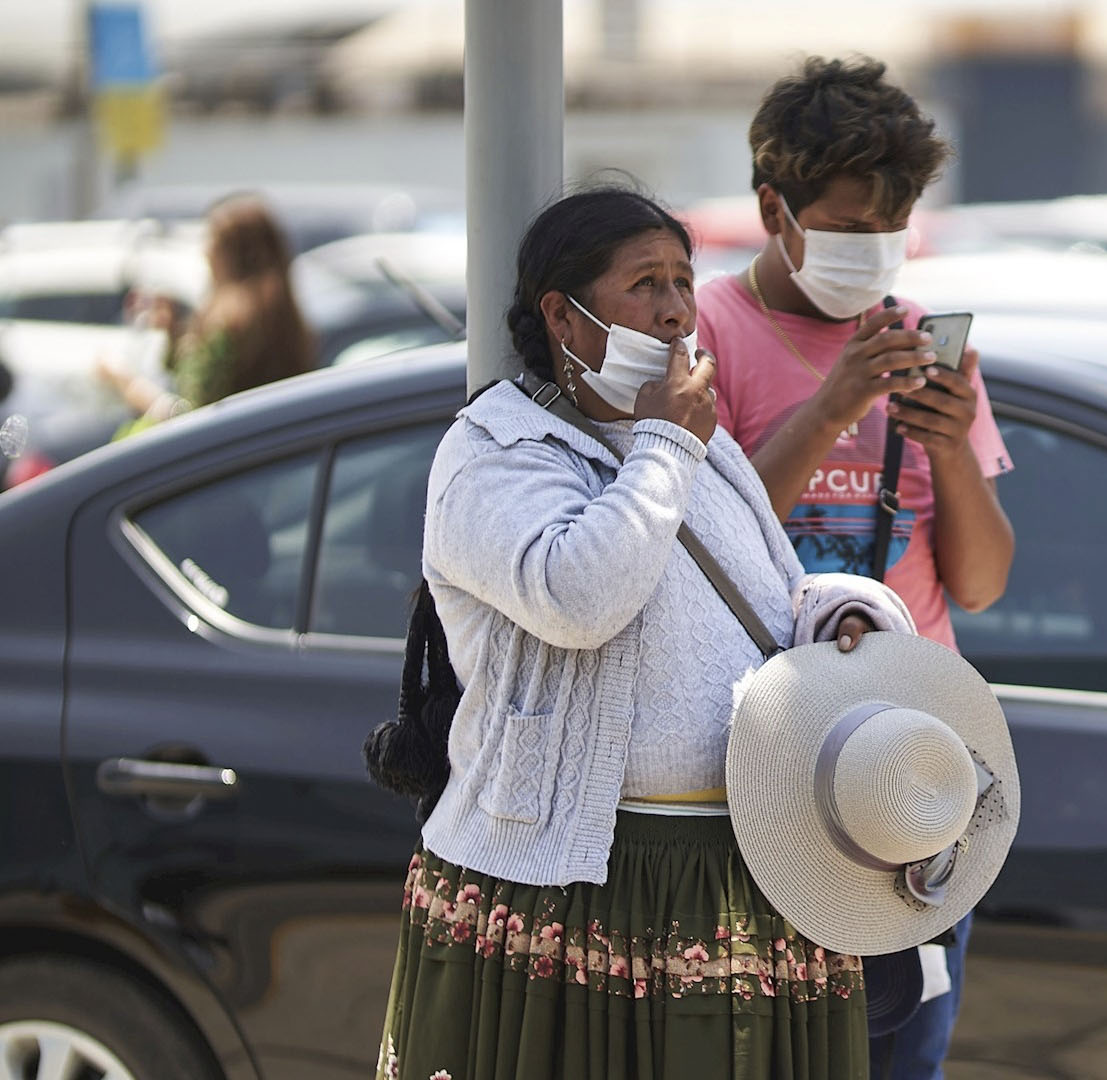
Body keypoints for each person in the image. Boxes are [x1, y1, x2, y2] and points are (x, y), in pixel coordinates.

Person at [372, 185, 914, 1080]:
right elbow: (578, 597)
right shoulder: (497, 453)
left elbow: (777, 588)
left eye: (682, 282)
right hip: (582, 888)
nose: (672, 310)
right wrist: (663, 446)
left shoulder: (701, 444)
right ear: (564, 316)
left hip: (748, 871)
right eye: (644, 284)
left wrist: (841, 614)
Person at [696, 55, 1015, 1080]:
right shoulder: (707, 332)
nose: (870, 253)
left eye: (890, 230)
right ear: (772, 209)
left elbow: (979, 583)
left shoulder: (924, 343)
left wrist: (954, 447)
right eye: (843, 228)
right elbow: (696, 547)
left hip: (904, 771)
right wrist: (832, 406)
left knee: (897, 1057)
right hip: (757, 773)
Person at [97, 195, 314, 434]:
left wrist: (127, 382)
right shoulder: (280, 317)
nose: (205, 251)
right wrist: (175, 335)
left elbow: (193, 416)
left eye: (212, 239)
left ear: (231, 253)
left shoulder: (229, 321)